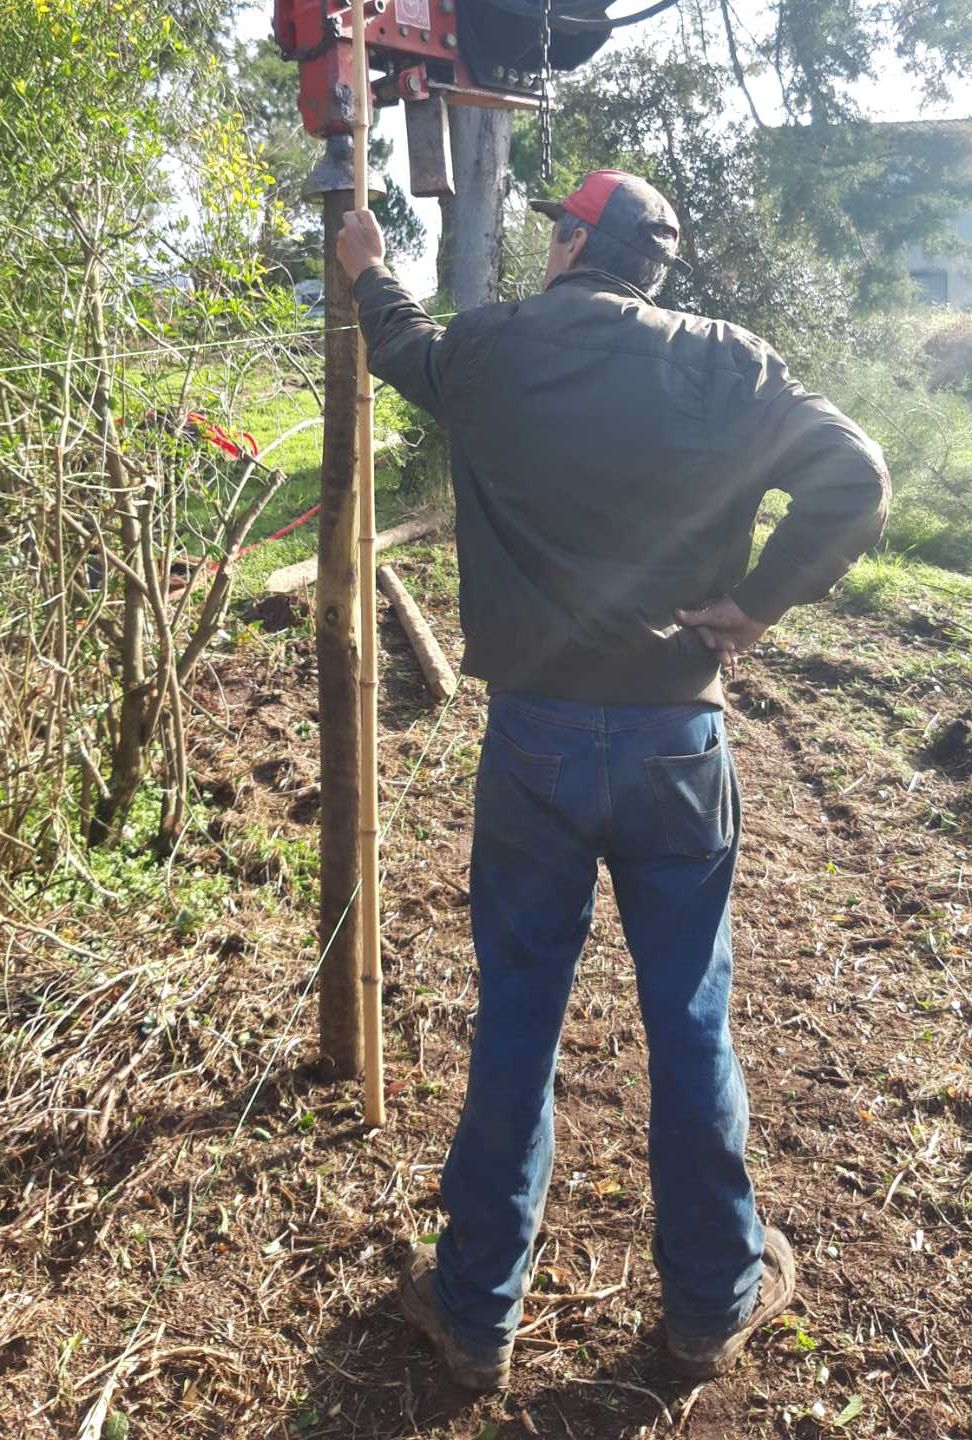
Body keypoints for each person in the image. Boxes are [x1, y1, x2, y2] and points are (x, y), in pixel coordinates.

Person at [336, 170, 890, 1394]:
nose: (546, 248)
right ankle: (709, 1301)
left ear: (580, 241)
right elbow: (856, 473)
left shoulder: (495, 349)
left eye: (557, 230)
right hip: (677, 748)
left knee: (519, 1014)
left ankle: (476, 1308)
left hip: (532, 741)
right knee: (689, 1017)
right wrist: (757, 602)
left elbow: (404, 350)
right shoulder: (726, 361)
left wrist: (370, 265)